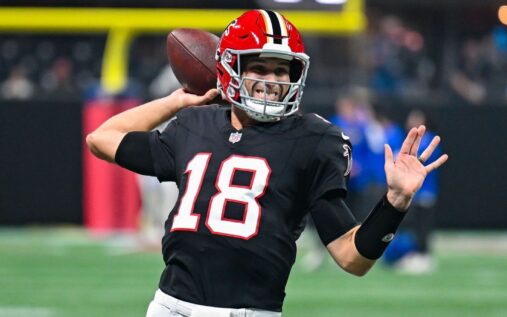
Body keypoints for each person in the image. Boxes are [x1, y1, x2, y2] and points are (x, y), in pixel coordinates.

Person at [86, 10, 448, 317]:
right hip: (171, 308)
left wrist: (395, 203)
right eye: (259, 68)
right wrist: (178, 102)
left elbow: (352, 258)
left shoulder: (313, 141)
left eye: (282, 70)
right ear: (230, 70)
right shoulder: (195, 125)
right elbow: (102, 139)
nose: (272, 82)